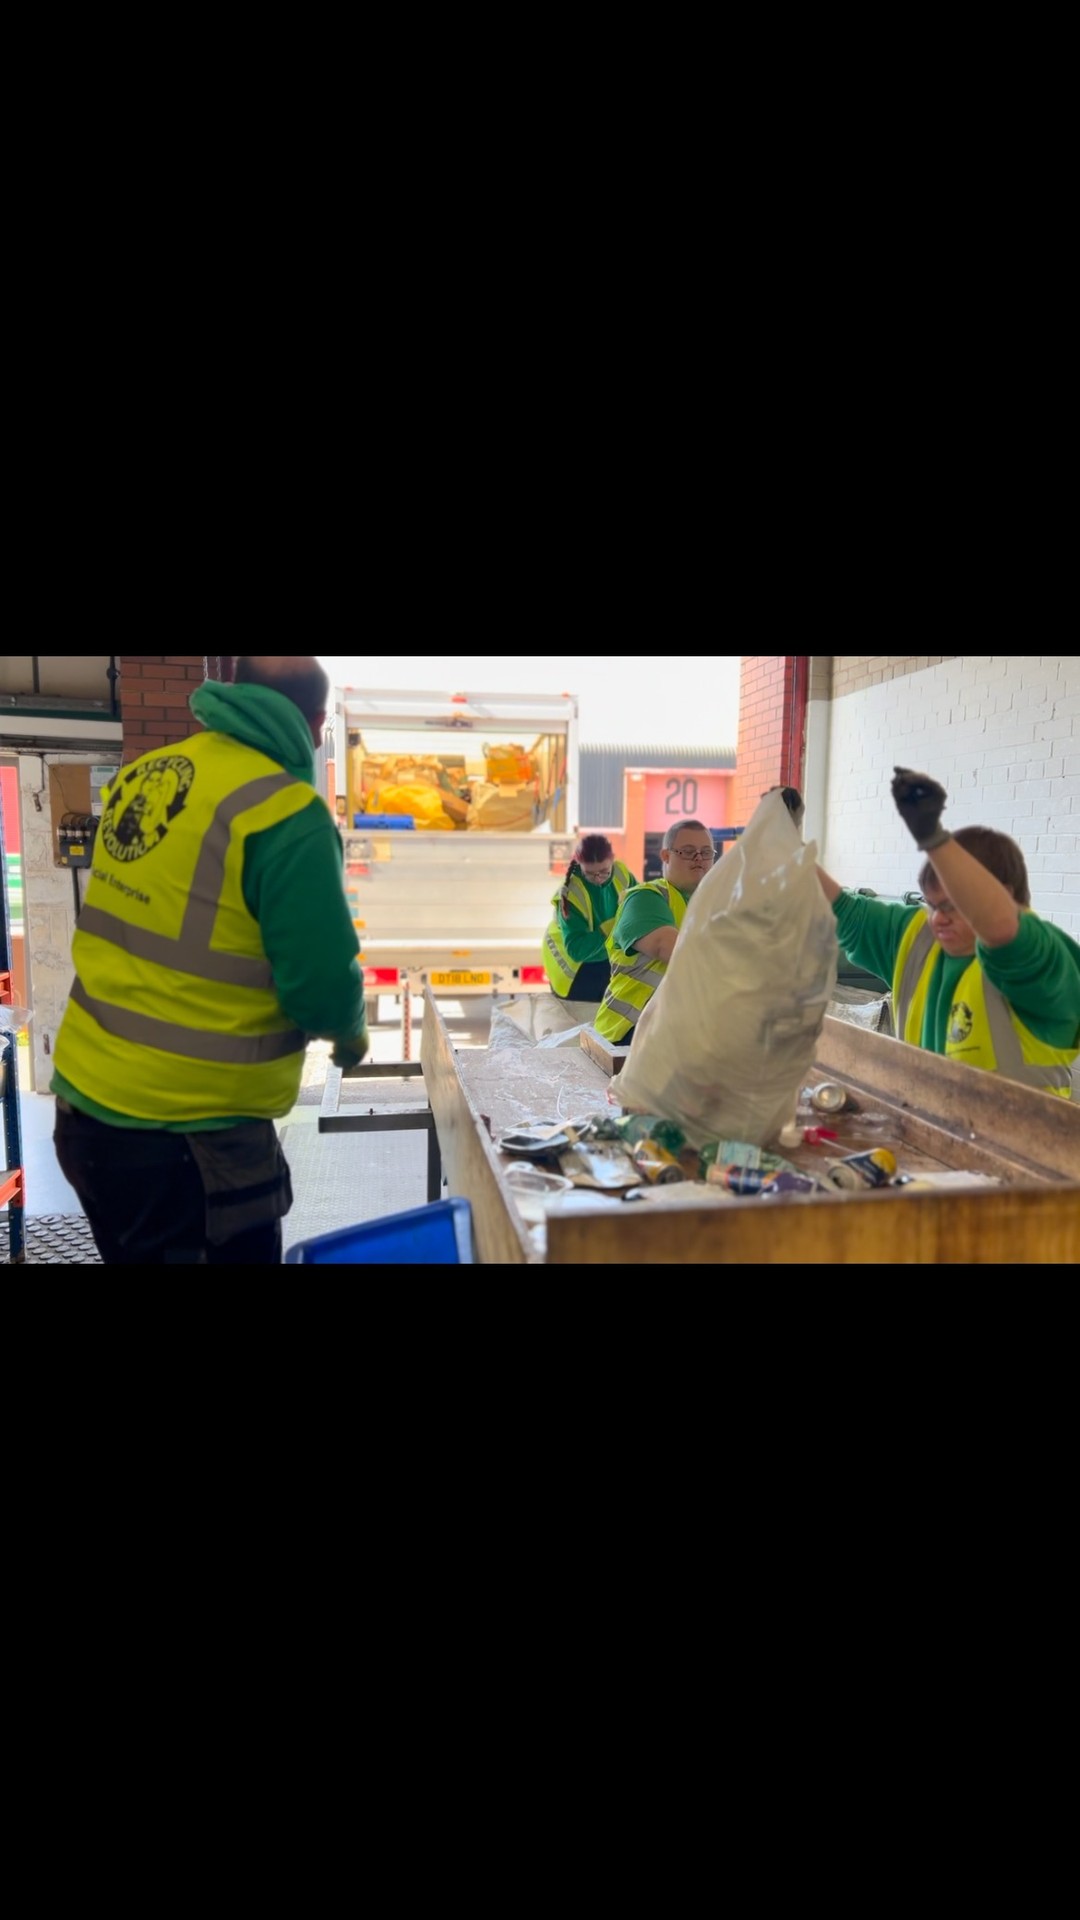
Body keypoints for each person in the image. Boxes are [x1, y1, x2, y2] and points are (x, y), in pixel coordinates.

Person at [51, 655, 372, 1263]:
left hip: (85, 1111)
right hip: (189, 1142)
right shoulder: (285, 815)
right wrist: (349, 1036)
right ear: (317, 723)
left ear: (235, 694)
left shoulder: (146, 774)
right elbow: (322, 986)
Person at [815, 766, 1080, 1095]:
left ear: (1006, 895)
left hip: (1019, 1144)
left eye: (952, 906)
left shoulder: (1042, 963)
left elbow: (1000, 927)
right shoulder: (917, 936)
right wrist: (785, 847)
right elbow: (844, 909)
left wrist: (933, 838)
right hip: (929, 1128)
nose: (938, 918)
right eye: (932, 904)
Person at [594, 820, 716, 1044]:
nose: (699, 858)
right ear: (666, 856)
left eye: (706, 852)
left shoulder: (711, 905)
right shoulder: (646, 898)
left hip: (671, 1035)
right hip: (626, 1035)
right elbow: (672, 949)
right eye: (688, 852)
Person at [541, 834, 637, 1004]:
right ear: (579, 865)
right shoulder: (571, 894)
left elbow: (641, 904)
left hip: (602, 956)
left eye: (604, 871)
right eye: (590, 874)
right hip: (574, 974)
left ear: (612, 860)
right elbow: (577, 949)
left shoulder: (621, 874)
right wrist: (620, 936)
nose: (598, 878)